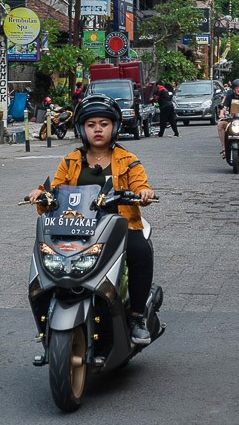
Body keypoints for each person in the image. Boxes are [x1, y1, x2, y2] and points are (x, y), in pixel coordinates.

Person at [27, 94, 157, 344]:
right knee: (44, 257)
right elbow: (55, 189)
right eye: (91, 124)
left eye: (104, 124)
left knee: (140, 251)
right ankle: (48, 316)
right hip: (77, 226)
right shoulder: (70, 161)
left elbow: (141, 185)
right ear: (81, 128)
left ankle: (137, 315)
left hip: (119, 226)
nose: (98, 129)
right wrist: (41, 196)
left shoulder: (128, 161)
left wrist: (143, 193)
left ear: (115, 127)